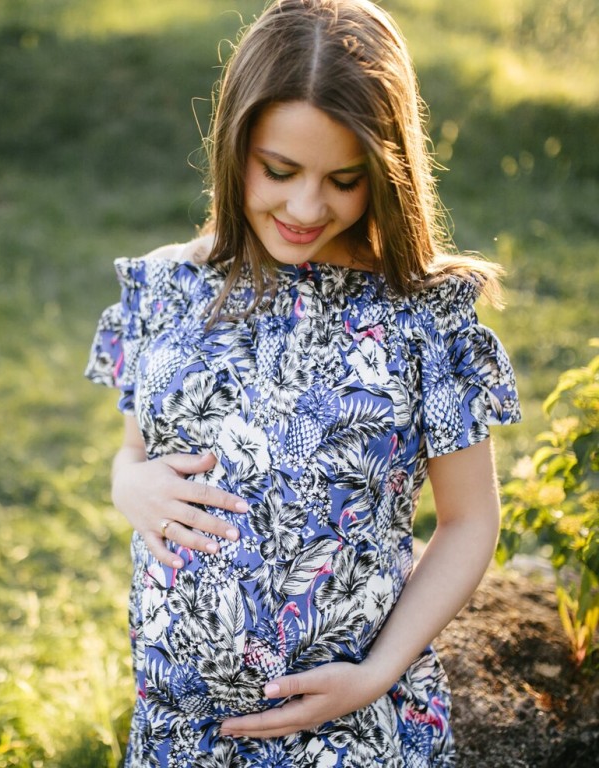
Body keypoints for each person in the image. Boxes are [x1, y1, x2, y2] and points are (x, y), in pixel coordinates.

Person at [83, 0, 521, 765]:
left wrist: (374, 674)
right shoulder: (166, 286)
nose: (306, 206)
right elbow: (134, 453)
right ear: (235, 144)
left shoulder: (422, 317)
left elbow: (469, 521)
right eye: (279, 171)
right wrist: (128, 486)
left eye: (343, 179)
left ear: (386, 171)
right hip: (182, 736)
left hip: (357, 729)